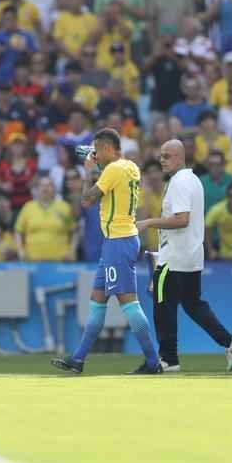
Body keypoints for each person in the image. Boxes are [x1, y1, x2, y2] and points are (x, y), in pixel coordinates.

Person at [51, 127, 161, 375]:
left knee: (128, 303)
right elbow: (112, 182)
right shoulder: (131, 166)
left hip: (118, 241)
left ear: (108, 148)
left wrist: (88, 173)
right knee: (98, 302)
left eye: (98, 150)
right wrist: (97, 167)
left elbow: (87, 201)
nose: (95, 155)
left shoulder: (112, 169)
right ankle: (78, 359)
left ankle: (153, 362)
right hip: (121, 239)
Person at [136, 139, 232, 373]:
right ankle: (230, 342)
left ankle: (168, 359)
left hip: (174, 257)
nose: (162, 160)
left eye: (166, 156)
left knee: (163, 307)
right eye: (161, 156)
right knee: (193, 305)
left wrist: (148, 222)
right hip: (191, 256)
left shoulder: (179, 182)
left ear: (179, 157)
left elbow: (181, 219)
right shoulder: (193, 179)